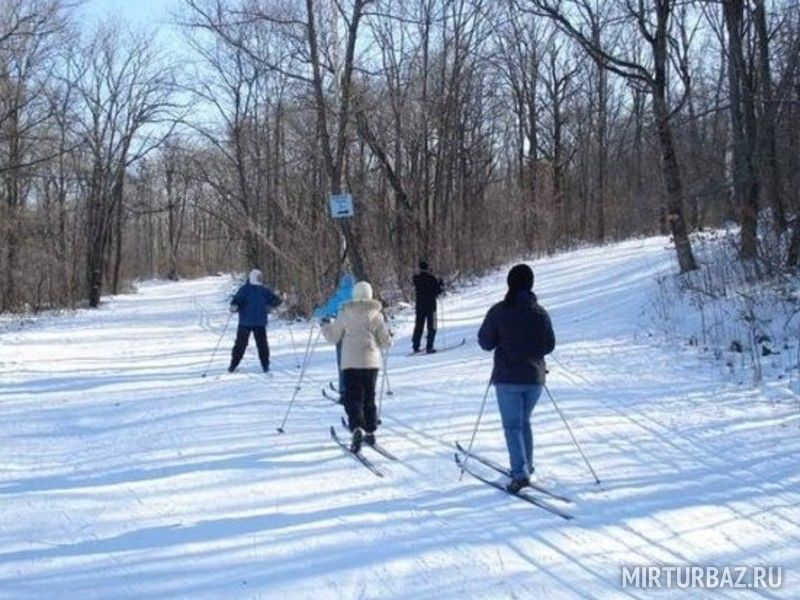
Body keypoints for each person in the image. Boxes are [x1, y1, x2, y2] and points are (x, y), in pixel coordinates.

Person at [477, 264, 555, 493]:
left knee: (512, 426)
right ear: (531, 284)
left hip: (508, 377)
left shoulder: (499, 311)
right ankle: (526, 465)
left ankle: (520, 474)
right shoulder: (540, 312)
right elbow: (549, 345)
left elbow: (485, 342)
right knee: (523, 422)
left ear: (510, 283)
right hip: (534, 378)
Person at [321, 281, 392, 452]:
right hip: (371, 362)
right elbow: (384, 341)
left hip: (350, 362)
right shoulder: (377, 314)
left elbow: (334, 337)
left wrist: (325, 326)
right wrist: (390, 337)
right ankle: (370, 430)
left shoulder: (345, 313)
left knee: (354, 398)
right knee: (369, 396)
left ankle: (357, 427)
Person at [228, 269, 283, 373]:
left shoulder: (264, 290)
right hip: (246, 322)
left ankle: (265, 366)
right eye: (258, 277)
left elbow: (274, 300)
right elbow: (236, 301)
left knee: (262, 345)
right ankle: (233, 365)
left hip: (258, 323)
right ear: (253, 277)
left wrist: (280, 300)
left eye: (261, 277)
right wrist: (234, 306)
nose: (260, 279)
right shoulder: (244, 290)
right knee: (240, 345)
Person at [313, 273, 355, 398]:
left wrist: (317, 312)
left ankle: (344, 390)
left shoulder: (338, 298)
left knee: (342, 362)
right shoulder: (358, 297)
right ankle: (355, 388)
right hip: (358, 334)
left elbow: (325, 311)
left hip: (342, 334)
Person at [412, 261, 444, 354]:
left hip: (420, 306)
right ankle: (429, 347)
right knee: (432, 327)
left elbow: (415, 277)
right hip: (431, 307)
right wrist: (441, 283)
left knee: (418, 326)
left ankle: (415, 346)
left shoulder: (416, 279)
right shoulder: (432, 278)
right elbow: (438, 291)